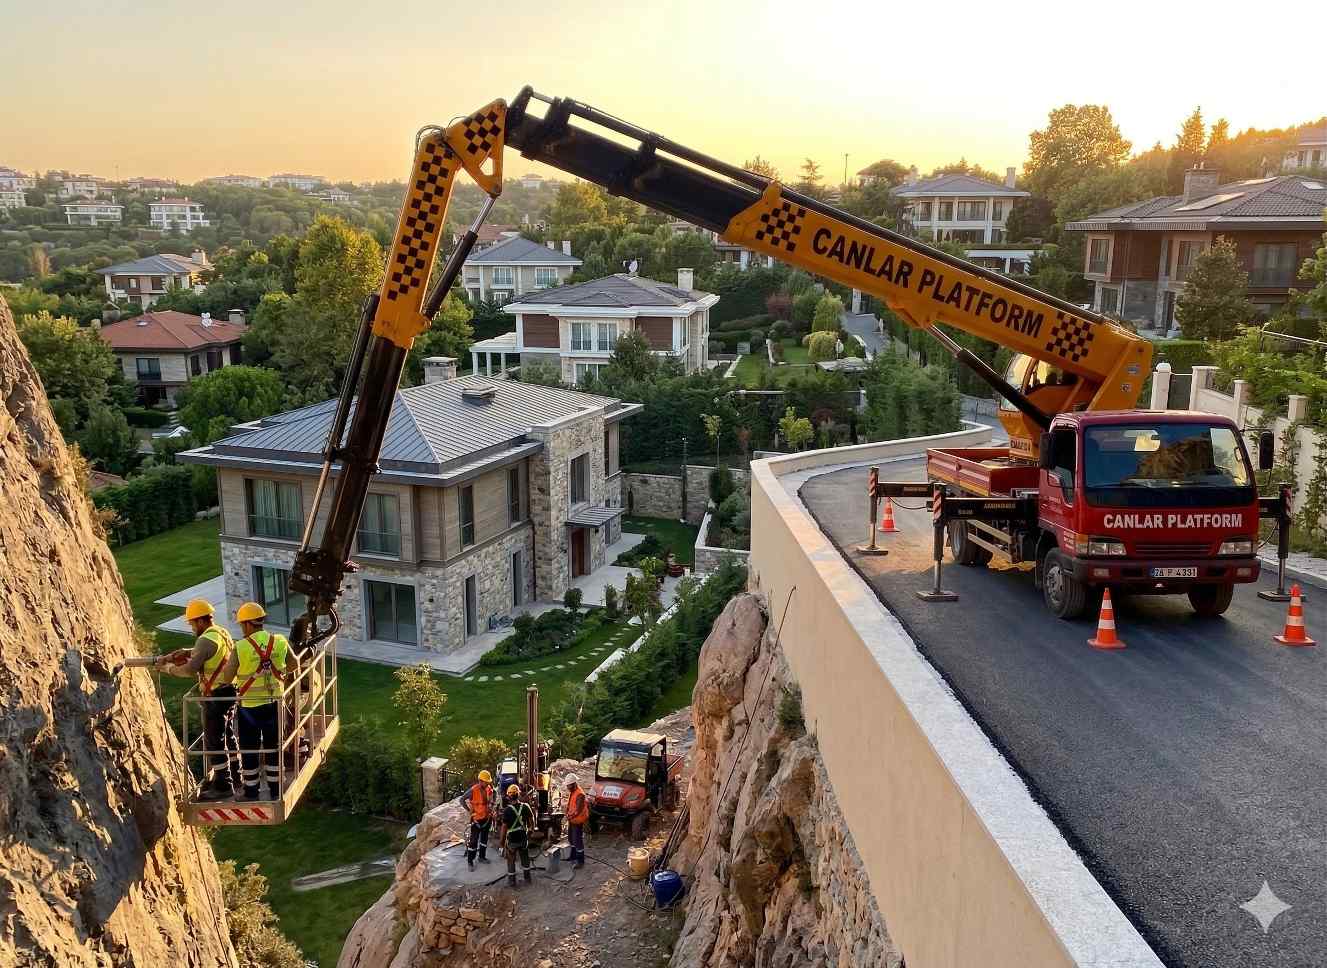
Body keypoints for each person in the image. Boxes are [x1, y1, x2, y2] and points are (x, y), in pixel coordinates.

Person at [157, 599, 237, 800]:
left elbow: (190, 669)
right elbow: (209, 654)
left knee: (214, 740)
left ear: (200, 621)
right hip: (229, 691)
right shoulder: (221, 633)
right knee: (227, 735)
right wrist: (185, 652)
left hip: (216, 696)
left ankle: (224, 784)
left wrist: (168, 668)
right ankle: (234, 775)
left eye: (192, 623)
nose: (192, 627)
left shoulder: (205, 639)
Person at [219, 602, 299, 801]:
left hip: (250, 709)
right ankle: (275, 791)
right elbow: (294, 664)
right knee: (274, 747)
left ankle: (251, 792)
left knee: (250, 751)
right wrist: (277, 672)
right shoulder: (279, 641)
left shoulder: (241, 647)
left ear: (246, 625)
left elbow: (227, 677)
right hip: (274, 705)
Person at [500, 784, 535, 887]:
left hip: (512, 840)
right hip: (523, 838)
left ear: (508, 796)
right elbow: (531, 820)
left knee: (511, 860)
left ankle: (512, 881)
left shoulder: (507, 811)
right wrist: (530, 831)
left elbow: (504, 828)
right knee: (525, 858)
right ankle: (527, 879)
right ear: (518, 794)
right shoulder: (525, 807)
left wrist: (501, 842)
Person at [461, 769, 495, 871]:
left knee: (484, 839)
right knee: (474, 841)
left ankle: (482, 857)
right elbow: (462, 799)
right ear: (480, 781)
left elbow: (492, 797)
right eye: (486, 781)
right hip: (476, 820)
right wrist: (469, 811)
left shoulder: (489, 789)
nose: (488, 783)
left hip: (486, 818)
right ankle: (470, 861)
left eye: (488, 782)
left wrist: (492, 806)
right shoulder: (473, 790)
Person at [564, 774, 589, 869]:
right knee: (571, 839)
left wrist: (570, 816)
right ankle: (573, 856)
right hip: (572, 820)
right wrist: (567, 812)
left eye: (568, 785)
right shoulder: (573, 791)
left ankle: (580, 861)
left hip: (577, 821)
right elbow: (570, 804)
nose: (567, 787)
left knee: (577, 840)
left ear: (573, 784)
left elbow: (578, 810)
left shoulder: (580, 794)